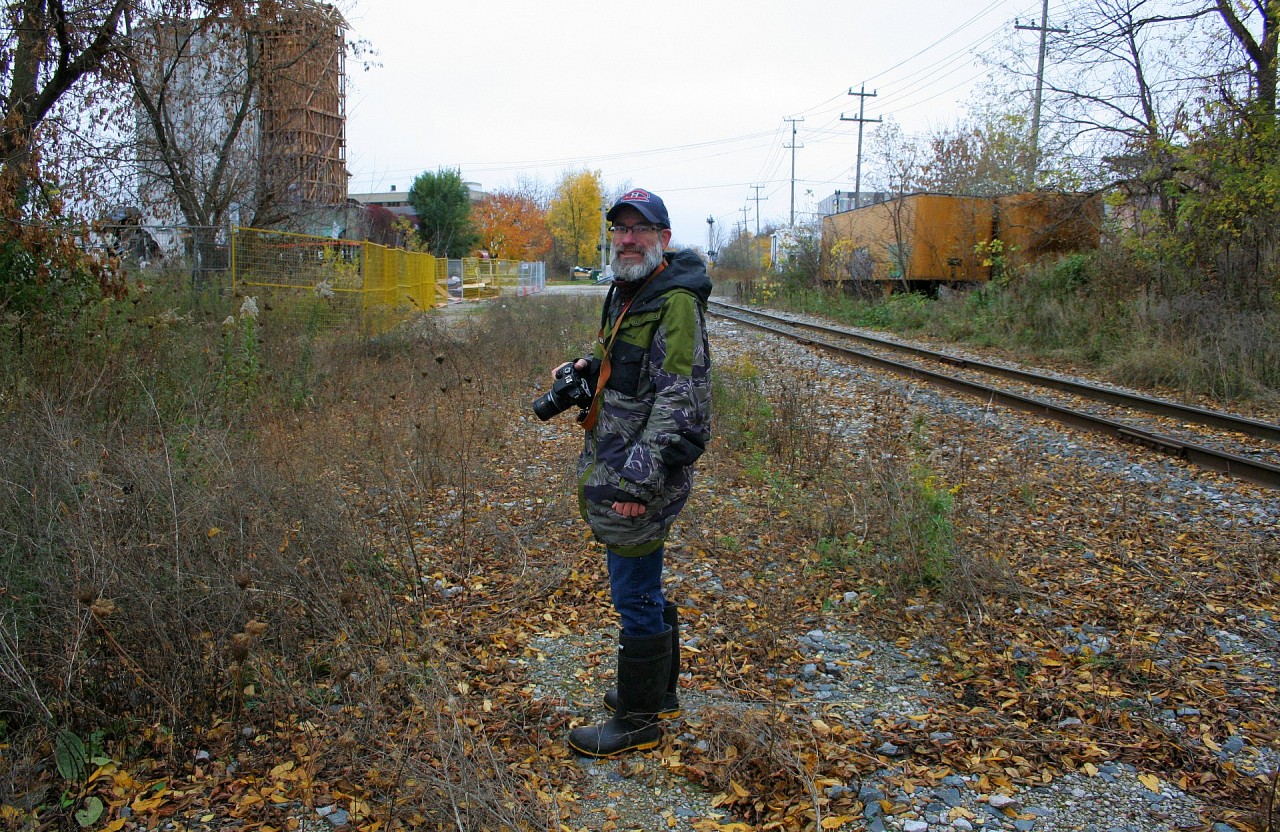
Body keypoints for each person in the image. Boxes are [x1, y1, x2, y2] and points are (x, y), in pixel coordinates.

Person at [563, 188, 713, 758]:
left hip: (638, 474)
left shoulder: (674, 303)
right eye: (620, 229)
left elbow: (682, 403)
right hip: (620, 460)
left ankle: (639, 718)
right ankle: (660, 692)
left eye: (639, 230)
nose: (626, 239)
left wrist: (636, 485)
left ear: (663, 240)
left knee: (634, 593)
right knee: (642, 580)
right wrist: (587, 367)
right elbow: (628, 366)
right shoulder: (630, 290)